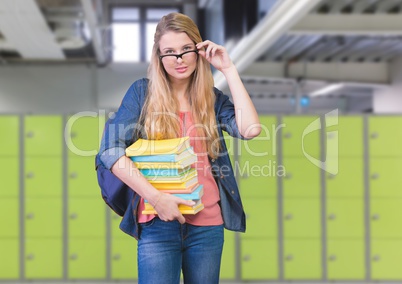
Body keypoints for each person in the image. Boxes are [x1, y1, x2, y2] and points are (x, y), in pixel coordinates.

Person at [97, 12, 261, 284]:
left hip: (207, 225)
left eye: (186, 49)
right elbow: (110, 151)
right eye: (169, 52)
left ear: (199, 50)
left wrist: (228, 70)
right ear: (159, 58)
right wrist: (157, 199)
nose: (179, 59)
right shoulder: (142, 94)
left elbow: (250, 129)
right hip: (157, 221)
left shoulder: (212, 99)